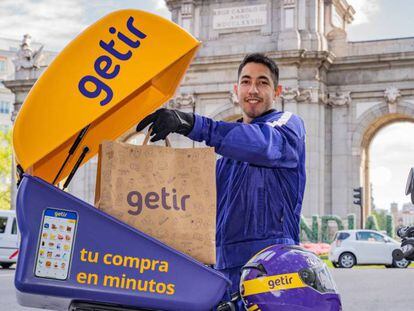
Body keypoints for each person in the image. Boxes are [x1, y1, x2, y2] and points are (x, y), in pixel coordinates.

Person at [136, 53, 306, 309]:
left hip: (271, 267)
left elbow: (262, 145)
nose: (253, 90)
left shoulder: (286, 125)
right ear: (236, 90)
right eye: (246, 82)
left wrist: (192, 123)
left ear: (277, 91)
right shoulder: (225, 158)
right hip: (224, 272)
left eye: (263, 82)